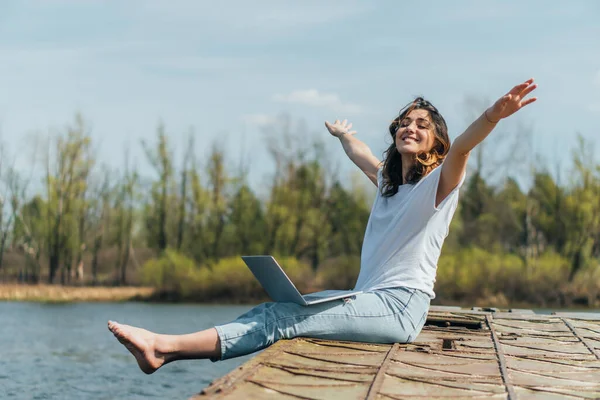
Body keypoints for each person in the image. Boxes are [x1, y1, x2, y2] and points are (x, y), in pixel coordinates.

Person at [108, 78, 537, 374]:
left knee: (285, 317)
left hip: (401, 308)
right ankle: (166, 350)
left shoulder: (438, 187)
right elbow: (362, 154)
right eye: (405, 122)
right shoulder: (390, 185)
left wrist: (492, 115)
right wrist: (343, 136)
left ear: (435, 141)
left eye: (422, 125)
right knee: (274, 308)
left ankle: (163, 348)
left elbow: (462, 147)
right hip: (371, 299)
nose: (411, 127)